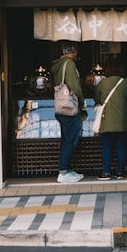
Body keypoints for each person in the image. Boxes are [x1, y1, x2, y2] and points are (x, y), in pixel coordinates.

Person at [93, 60, 127, 180]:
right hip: (123, 121)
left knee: (107, 146)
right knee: (121, 146)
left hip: (106, 119)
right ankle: (120, 172)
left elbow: (97, 99)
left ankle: (106, 172)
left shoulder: (102, 83)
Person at [51, 43, 87, 183]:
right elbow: (75, 87)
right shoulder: (69, 64)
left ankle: (67, 169)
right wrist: (82, 102)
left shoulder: (58, 65)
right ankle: (63, 171)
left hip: (61, 107)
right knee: (70, 141)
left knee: (66, 139)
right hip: (70, 108)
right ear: (74, 51)